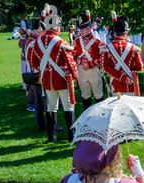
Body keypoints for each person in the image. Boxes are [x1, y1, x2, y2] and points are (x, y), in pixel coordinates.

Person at [29, 5, 78, 143]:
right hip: (62, 80)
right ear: (56, 27)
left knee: (51, 108)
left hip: (47, 81)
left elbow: (33, 62)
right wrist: (74, 77)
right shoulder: (61, 42)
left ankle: (51, 137)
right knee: (68, 107)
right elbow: (71, 62)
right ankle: (71, 137)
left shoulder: (36, 42)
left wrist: (43, 70)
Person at [101, 12, 143, 96]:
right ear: (125, 33)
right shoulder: (133, 48)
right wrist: (128, 72)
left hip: (115, 84)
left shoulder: (107, 48)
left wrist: (120, 76)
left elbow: (106, 67)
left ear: (114, 32)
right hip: (130, 84)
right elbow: (139, 67)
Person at [73, 11, 104, 111]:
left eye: (83, 28)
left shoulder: (97, 41)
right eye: (80, 28)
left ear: (89, 28)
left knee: (98, 95)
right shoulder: (77, 41)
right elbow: (74, 56)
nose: (81, 31)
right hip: (81, 71)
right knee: (85, 96)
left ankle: (101, 118)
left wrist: (91, 64)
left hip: (94, 71)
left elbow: (102, 58)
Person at [25, 17, 47, 131]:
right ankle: (45, 124)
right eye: (41, 28)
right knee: (42, 101)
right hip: (38, 74)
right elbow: (34, 60)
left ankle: (42, 125)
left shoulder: (31, 40)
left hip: (36, 73)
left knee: (39, 101)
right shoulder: (34, 42)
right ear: (38, 29)